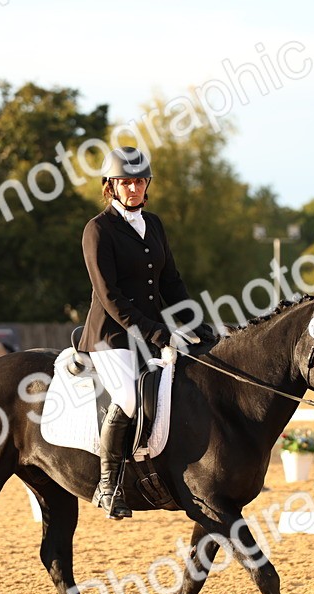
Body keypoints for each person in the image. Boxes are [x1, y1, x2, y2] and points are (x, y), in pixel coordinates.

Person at [80, 146, 216, 520]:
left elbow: (171, 281)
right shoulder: (98, 229)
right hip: (112, 336)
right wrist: (157, 333)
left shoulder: (153, 224)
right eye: (126, 182)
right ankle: (108, 486)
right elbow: (110, 296)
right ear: (111, 186)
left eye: (140, 181)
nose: (134, 188)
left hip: (155, 332)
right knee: (128, 399)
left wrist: (191, 321)